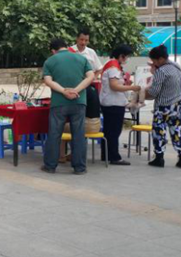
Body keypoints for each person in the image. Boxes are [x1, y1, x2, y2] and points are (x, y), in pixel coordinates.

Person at [42, 38, 95, 175]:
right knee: (78, 135)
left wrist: (64, 91)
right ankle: (79, 167)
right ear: (66, 46)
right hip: (79, 101)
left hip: (59, 103)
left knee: (54, 134)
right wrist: (76, 90)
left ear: (53, 50)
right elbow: (90, 77)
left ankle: (50, 166)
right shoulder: (81, 59)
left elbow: (48, 81)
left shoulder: (49, 61)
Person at [146, 45, 181, 169]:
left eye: (154, 61)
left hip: (164, 107)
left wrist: (141, 94)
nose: (153, 63)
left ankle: (159, 158)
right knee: (177, 130)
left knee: (159, 131)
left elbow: (153, 93)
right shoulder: (176, 66)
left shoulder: (161, 72)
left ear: (160, 59)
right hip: (179, 104)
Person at [100, 44, 140, 166]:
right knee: (114, 131)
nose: (127, 59)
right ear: (121, 56)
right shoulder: (113, 66)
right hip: (113, 103)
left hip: (111, 102)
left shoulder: (112, 65)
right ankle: (114, 157)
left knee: (109, 131)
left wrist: (126, 84)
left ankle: (106, 154)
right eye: (126, 56)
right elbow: (114, 86)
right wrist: (132, 87)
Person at [59, 85, 101, 163]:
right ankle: (73, 154)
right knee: (73, 127)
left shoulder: (82, 91)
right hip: (97, 124)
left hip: (87, 124)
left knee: (60, 127)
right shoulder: (93, 88)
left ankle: (61, 156)